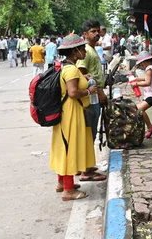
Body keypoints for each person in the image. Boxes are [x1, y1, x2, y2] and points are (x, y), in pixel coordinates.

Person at [50, 33, 101, 201]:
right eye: (83, 50)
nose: (85, 53)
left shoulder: (65, 67)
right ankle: (68, 190)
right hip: (71, 113)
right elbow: (72, 93)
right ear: (76, 51)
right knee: (69, 149)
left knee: (63, 147)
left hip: (66, 113)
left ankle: (61, 183)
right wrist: (88, 91)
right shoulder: (71, 69)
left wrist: (83, 78)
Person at [76, 20, 107, 178]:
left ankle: (85, 165)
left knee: (91, 131)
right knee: (90, 132)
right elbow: (81, 73)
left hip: (94, 95)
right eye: (92, 31)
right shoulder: (86, 51)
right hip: (91, 97)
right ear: (85, 34)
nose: (96, 34)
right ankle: (86, 170)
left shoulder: (93, 49)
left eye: (97, 31)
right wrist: (99, 92)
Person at [130, 51, 152, 139]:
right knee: (137, 108)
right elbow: (146, 78)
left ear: (145, 62)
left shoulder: (149, 69)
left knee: (140, 109)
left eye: (141, 64)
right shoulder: (151, 68)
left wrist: (136, 84)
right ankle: (147, 127)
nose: (142, 66)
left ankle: (149, 127)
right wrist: (137, 79)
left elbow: (148, 82)